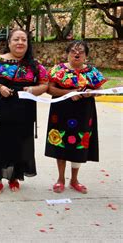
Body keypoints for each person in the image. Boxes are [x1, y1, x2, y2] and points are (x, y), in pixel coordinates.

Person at [0, 28, 48, 194]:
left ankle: (14, 177)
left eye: (24, 40)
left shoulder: (35, 64)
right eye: (16, 39)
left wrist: (34, 90)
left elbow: (45, 84)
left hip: (23, 112)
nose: (20, 43)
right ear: (9, 42)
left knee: (20, 144)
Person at [45, 40, 106, 194]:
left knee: (79, 143)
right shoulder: (58, 70)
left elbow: (100, 90)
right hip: (61, 112)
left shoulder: (92, 72)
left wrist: (91, 93)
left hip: (84, 113)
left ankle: (74, 180)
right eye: (73, 51)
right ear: (67, 53)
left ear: (86, 55)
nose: (76, 54)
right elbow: (50, 89)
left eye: (81, 52)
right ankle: (60, 179)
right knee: (61, 142)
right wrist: (68, 93)